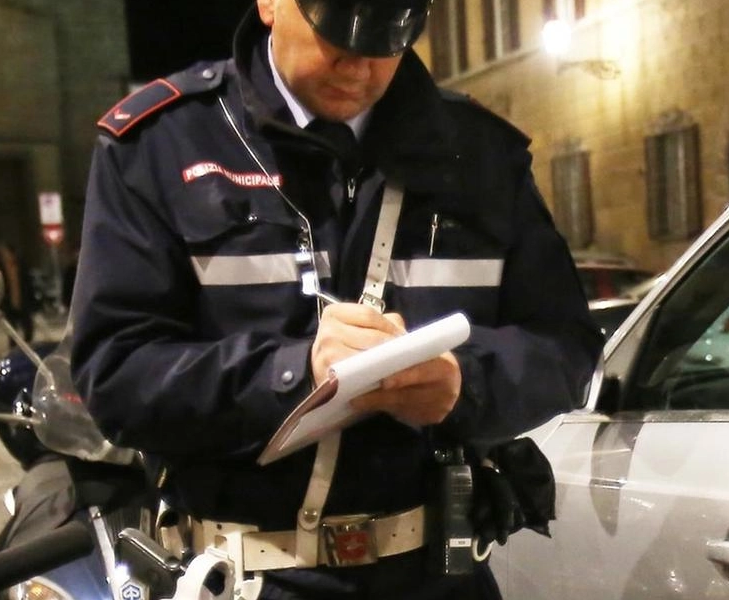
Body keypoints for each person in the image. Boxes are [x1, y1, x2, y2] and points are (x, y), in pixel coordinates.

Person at [70, 0, 604, 598]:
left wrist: (465, 382)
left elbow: (567, 349)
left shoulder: (479, 153)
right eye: (338, 37)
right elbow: (116, 375)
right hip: (243, 578)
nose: (359, 65)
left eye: (386, 42)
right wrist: (296, 375)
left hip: (435, 575)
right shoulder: (159, 145)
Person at [0, 242, 35, 346]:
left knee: (28, 327)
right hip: (8, 303)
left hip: (22, 301)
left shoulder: (21, 266)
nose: (4, 255)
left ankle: (28, 346)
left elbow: (28, 284)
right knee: (12, 330)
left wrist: (32, 301)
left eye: (5, 252)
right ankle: (14, 349)